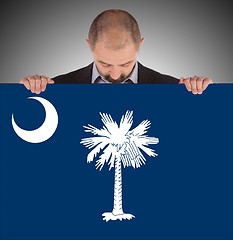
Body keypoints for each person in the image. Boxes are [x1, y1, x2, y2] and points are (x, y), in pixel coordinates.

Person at [20, 9, 213, 94]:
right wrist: (27, 91)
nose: (115, 75)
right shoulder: (57, 88)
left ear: (140, 45)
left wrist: (203, 94)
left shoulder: (172, 89)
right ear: (89, 46)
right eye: (104, 63)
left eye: (125, 64)